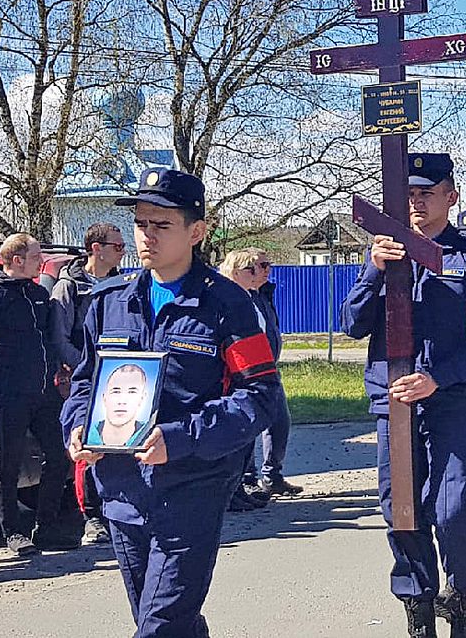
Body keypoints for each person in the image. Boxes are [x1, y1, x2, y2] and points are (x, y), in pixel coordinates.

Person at [60, 168, 283, 637]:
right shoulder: (110, 302)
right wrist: (78, 427)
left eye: (162, 225)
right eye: (141, 224)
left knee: (158, 626)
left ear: (196, 231)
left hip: (192, 487)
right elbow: (83, 384)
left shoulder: (229, 305)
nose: (147, 236)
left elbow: (258, 397)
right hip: (121, 491)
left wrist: (180, 439)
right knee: (165, 620)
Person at [340, 155, 466, 638]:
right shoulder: (385, 253)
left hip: (450, 401)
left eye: (427, 192)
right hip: (393, 404)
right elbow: (351, 325)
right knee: (401, 511)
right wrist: (374, 270)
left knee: (453, 508)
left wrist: (438, 377)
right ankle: (417, 609)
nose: (417, 201)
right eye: (410, 193)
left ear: (451, 197)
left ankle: (462, 594)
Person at [0, 232, 76, 554]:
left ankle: (46, 526)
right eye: (37, 256)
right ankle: (13, 532)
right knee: (7, 466)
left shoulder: (38, 294)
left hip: (44, 394)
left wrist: (58, 369)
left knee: (59, 455)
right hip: (9, 395)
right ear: (18, 260)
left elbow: (48, 339)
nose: (41, 262)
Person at [49, 221, 124, 544]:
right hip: (86, 378)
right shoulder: (69, 286)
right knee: (87, 445)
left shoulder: (123, 284)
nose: (123, 253)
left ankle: (116, 510)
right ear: (96, 248)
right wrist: (88, 368)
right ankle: (91, 517)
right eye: (117, 247)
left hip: (120, 379)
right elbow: (59, 337)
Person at [221, 248, 302, 506]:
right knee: (245, 428)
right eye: (254, 268)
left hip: (264, 370)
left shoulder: (256, 296)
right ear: (235, 272)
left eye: (265, 265)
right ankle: (241, 484)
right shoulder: (229, 298)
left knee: (278, 422)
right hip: (242, 375)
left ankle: (266, 478)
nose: (262, 272)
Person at [87, 363, 153, 447]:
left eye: (132, 392)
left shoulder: (150, 438)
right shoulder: (88, 436)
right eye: (116, 391)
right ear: (104, 398)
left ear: (142, 399)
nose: (122, 401)